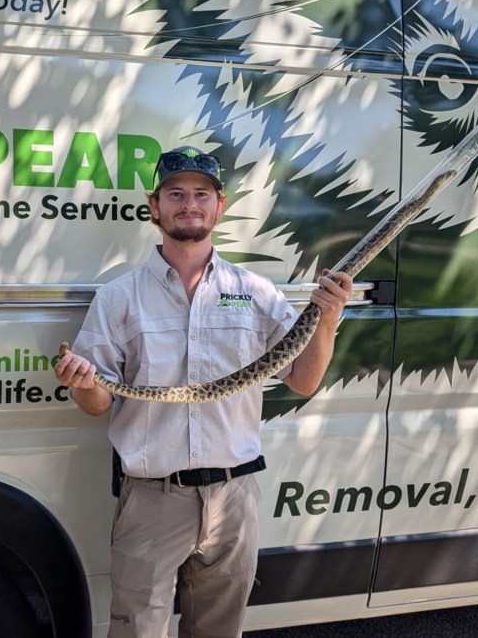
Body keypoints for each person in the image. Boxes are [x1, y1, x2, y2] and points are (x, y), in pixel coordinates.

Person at [54, 146, 353, 638]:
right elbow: (99, 402)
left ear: (220, 205)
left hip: (234, 497)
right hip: (153, 499)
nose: (188, 204)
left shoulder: (255, 292)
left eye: (200, 194)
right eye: (175, 194)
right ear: (155, 207)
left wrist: (328, 321)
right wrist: (84, 384)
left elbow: (302, 380)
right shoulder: (118, 297)